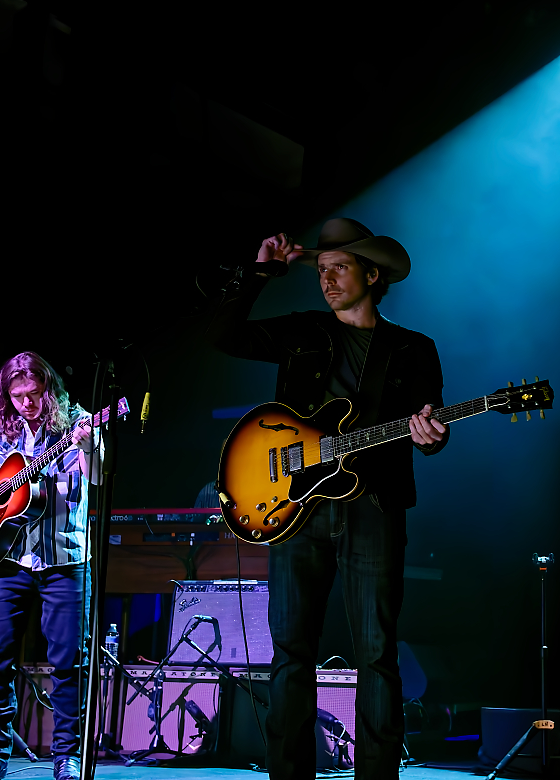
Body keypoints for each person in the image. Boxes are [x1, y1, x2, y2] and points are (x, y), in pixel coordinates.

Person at [206, 218, 449, 780]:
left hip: (375, 507)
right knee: (291, 651)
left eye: (340, 267)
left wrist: (431, 435)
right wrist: (261, 272)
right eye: (321, 269)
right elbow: (223, 336)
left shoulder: (414, 349)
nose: (328, 279)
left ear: (372, 274)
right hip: (296, 508)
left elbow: (429, 425)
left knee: (377, 653)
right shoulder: (303, 332)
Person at [0, 352, 99, 780]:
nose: (27, 403)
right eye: (18, 395)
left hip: (66, 558)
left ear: (49, 389)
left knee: (69, 663)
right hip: (7, 560)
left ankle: (67, 755)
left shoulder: (78, 422)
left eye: (35, 393)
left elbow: (97, 478)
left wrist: (88, 446)